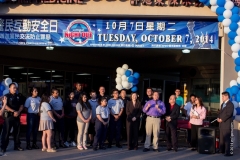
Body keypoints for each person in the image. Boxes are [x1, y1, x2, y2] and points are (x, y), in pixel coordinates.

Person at [0, 83, 25, 156]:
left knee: (17, 132)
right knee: (6, 132)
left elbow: (21, 105)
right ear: (9, 88)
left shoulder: (18, 96)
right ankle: (3, 147)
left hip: (17, 116)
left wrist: (18, 111)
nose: (15, 89)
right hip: (9, 116)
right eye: (13, 87)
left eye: (16, 88)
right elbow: (5, 106)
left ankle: (17, 145)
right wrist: (13, 111)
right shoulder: (6, 96)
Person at [217, 91, 234, 157]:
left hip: (226, 123)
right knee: (222, 138)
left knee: (227, 138)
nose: (222, 98)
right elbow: (220, 113)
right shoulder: (223, 104)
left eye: (223, 96)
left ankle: (228, 152)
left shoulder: (230, 104)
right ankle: (221, 149)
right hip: (221, 124)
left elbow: (228, 114)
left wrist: (222, 119)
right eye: (222, 96)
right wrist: (218, 117)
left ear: (227, 96)